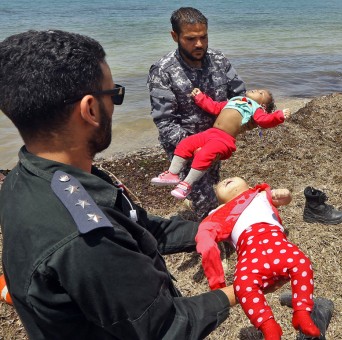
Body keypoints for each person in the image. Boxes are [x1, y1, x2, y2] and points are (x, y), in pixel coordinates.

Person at [0, 30, 238, 339]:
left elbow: (143, 229)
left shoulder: (25, 179)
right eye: (115, 95)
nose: (116, 105)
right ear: (90, 109)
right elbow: (165, 328)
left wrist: (230, 225)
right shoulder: (86, 241)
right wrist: (242, 289)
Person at [148, 7, 246, 218]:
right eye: (191, 39)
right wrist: (199, 146)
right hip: (186, 151)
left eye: (203, 37)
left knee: (213, 182)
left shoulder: (219, 60)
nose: (199, 44)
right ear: (175, 36)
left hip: (217, 142)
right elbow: (165, 123)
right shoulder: (162, 71)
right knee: (208, 203)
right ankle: (212, 237)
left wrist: (240, 124)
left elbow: (239, 96)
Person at [195, 177, 320, 340]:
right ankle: (268, 327)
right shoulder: (219, 212)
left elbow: (284, 199)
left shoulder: (259, 194)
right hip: (249, 250)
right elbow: (206, 236)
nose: (226, 180)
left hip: (276, 241)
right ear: (218, 200)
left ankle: (302, 312)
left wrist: (286, 194)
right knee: (242, 284)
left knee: (301, 263)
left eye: (233, 178)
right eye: (219, 184)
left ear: (248, 186)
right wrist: (217, 283)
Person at [151, 88, 291, 199]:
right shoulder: (234, 100)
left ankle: (186, 184)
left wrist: (279, 115)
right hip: (211, 133)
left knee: (204, 155)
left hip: (225, 140)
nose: (256, 90)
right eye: (257, 89)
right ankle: (172, 173)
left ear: (263, 105)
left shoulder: (256, 108)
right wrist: (200, 97)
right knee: (185, 144)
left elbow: (265, 120)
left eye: (261, 93)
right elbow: (214, 106)